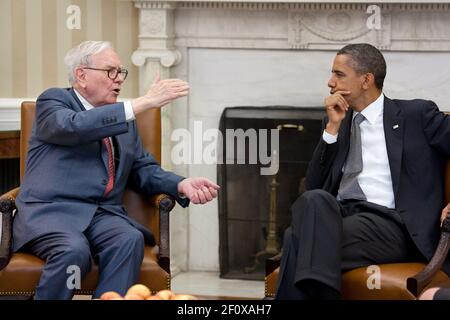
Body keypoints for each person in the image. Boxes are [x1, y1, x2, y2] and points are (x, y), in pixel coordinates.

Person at [12, 41, 220, 300]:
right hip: (52, 212)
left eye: (121, 72)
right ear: (82, 75)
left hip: (102, 215)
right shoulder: (54, 102)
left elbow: (143, 169)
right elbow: (75, 127)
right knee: (72, 250)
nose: (119, 79)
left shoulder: (126, 123)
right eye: (111, 71)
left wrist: (181, 183)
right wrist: (143, 103)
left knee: (128, 239)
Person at [275, 43, 450, 300]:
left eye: (339, 74)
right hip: (341, 216)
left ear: (366, 80)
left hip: (393, 225)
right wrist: (331, 130)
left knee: (295, 238)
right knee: (314, 201)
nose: (330, 82)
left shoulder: (417, 114)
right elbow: (313, 187)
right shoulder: (338, 121)